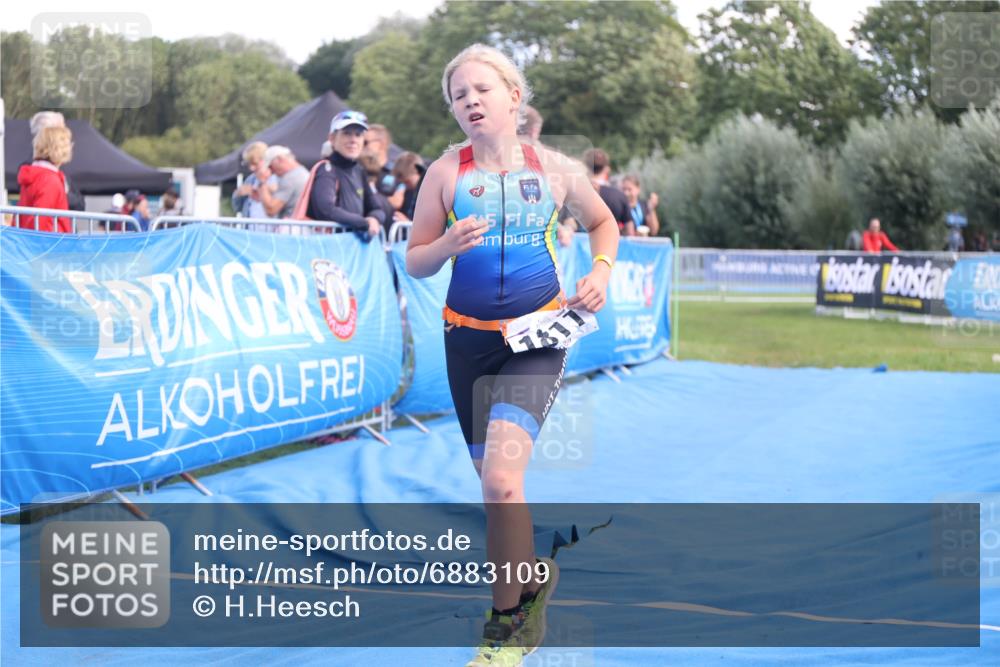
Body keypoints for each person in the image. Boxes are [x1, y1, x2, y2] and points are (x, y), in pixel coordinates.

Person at [405, 44, 619, 667]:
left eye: (481, 89)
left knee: (500, 483)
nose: (470, 100)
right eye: (458, 95)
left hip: (537, 339)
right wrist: (445, 243)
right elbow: (415, 261)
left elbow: (604, 224)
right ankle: (529, 584)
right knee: (501, 494)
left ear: (513, 97)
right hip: (466, 342)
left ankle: (505, 627)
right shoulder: (446, 172)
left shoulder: (554, 169)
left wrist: (601, 271)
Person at [306, 110, 385, 242]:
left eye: (358, 134)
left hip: (351, 250)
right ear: (332, 138)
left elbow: (377, 208)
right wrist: (364, 223)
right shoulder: (326, 169)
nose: (353, 140)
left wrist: (374, 219)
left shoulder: (359, 171)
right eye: (347, 133)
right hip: (327, 249)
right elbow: (326, 210)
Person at [16, 125, 74, 232]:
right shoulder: (50, 180)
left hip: (27, 241)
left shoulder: (34, 175)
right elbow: (42, 221)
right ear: (60, 149)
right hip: (50, 244)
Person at [28, 111, 85, 211]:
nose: (67, 142)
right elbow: (43, 219)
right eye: (60, 135)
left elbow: (80, 204)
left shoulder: (54, 172)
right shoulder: (45, 176)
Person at [582, 148, 634, 236]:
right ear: (606, 169)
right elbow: (630, 232)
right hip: (609, 245)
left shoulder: (573, 192)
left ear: (586, 167)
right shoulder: (619, 196)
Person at [256, 146, 308, 220]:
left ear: (280, 160)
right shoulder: (303, 172)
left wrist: (262, 183)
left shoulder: (290, 178)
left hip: (290, 227)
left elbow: (271, 210)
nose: (271, 171)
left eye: (270, 166)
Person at [232, 141, 278, 220]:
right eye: (249, 164)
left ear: (266, 160)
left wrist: (267, 190)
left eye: (255, 163)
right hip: (251, 231)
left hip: (273, 230)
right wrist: (238, 194)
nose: (251, 168)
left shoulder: (279, 178)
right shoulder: (250, 179)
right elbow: (237, 208)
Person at [364, 123, 405, 211]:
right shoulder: (359, 169)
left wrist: (371, 198)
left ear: (382, 144)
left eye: (365, 142)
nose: (362, 146)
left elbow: (397, 202)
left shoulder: (397, 172)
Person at [391, 151, 426, 221]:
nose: (406, 186)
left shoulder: (429, 190)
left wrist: (406, 222)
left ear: (417, 172)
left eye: (407, 182)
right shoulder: (409, 191)